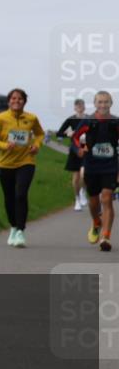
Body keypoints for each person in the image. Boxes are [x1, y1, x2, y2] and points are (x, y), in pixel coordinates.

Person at [0, 88, 45, 248]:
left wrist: (36, 145)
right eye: (13, 98)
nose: (16, 101)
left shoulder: (31, 118)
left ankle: (20, 231)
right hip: (5, 164)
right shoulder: (0, 119)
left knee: (20, 194)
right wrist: (5, 145)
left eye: (20, 99)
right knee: (9, 198)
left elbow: (40, 134)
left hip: (26, 162)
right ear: (8, 101)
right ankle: (13, 226)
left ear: (24, 101)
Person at [72, 91, 119, 252]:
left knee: (107, 198)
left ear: (111, 104)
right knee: (94, 202)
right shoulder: (88, 120)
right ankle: (96, 222)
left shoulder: (115, 121)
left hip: (111, 166)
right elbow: (76, 137)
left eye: (106, 102)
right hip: (92, 165)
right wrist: (79, 149)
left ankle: (105, 236)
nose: (103, 105)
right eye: (100, 102)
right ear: (95, 104)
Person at [56, 98, 88, 211]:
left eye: (81, 105)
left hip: (85, 148)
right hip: (74, 148)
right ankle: (77, 199)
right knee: (76, 177)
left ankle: (83, 191)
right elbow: (59, 132)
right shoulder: (70, 119)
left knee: (84, 175)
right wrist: (68, 134)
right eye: (77, 105)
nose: (79, 107)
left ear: (84, 107)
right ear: (75, 107)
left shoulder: (89, 118)